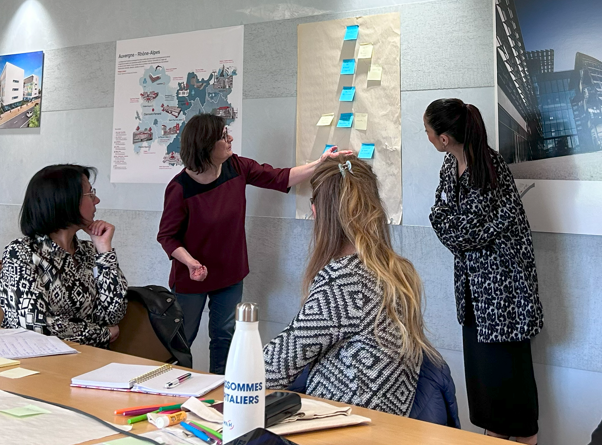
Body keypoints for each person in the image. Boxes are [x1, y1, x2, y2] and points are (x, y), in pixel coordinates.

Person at [157, 113, 351, 374]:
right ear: (206, 145)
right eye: (224, 136)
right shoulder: (179, 188)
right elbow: (167, 236)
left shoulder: (236, 167)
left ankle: (220, 394)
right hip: (192, 277)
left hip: (230, 273)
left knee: (225, 337)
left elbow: (279, 177)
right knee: (181, 340)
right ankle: (169, 390)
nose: (231, 139)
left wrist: (321, 163)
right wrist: (191, 263)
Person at [263, 155, 442, 417]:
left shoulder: (345, 279)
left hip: (343, 426)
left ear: (321, 212)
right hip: (388, 426)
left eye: (314, 201)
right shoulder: (397, 270)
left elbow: (271, 369)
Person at [424, 98, 544, 444]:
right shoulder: (450, 167)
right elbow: (440, 217)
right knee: (487, 394)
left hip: (506, 301)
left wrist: (449, 223)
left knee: (513, 395)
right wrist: (449, 223)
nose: (428, 137)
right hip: (476, 297)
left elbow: (462, 232)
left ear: (444, 138)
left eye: (429, 131)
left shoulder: (489, 168)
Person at [0, 165, 128, 347]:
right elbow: (36, 327)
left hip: (90, 360)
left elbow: (113, 315)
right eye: (90, 194)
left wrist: (105, 250)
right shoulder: (21, 252)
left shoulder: (89, 251)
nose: (97, 200)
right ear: (65, 200)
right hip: (38, 363)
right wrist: (102, 333)